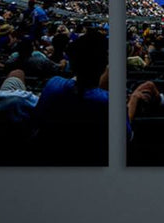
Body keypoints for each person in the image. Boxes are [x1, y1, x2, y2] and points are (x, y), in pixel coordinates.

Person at [33, 30, 109, 165]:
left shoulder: (53, 84)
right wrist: (134, 100)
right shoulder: (107, 102)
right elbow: (126, 137)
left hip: (49, 160)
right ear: (103, 64)